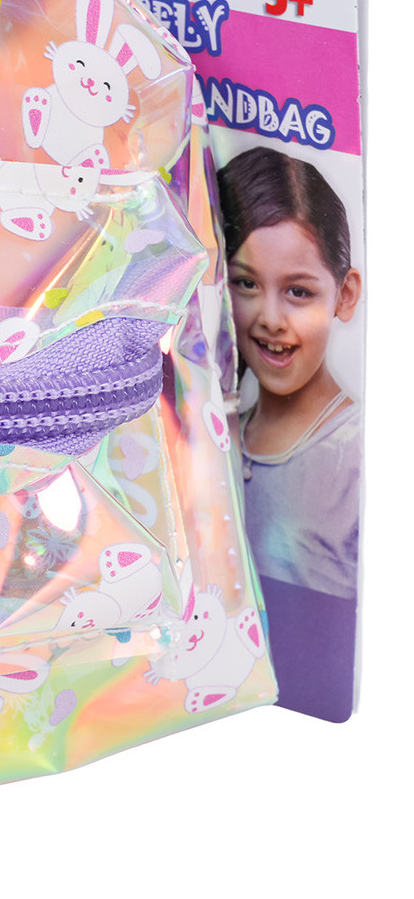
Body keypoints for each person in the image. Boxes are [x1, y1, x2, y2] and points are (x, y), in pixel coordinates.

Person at [217, 146, 361, 720]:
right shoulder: (217, 433)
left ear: (344, 295)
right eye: (245, 283)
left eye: (298, 291)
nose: (271, 318)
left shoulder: (357, 454)